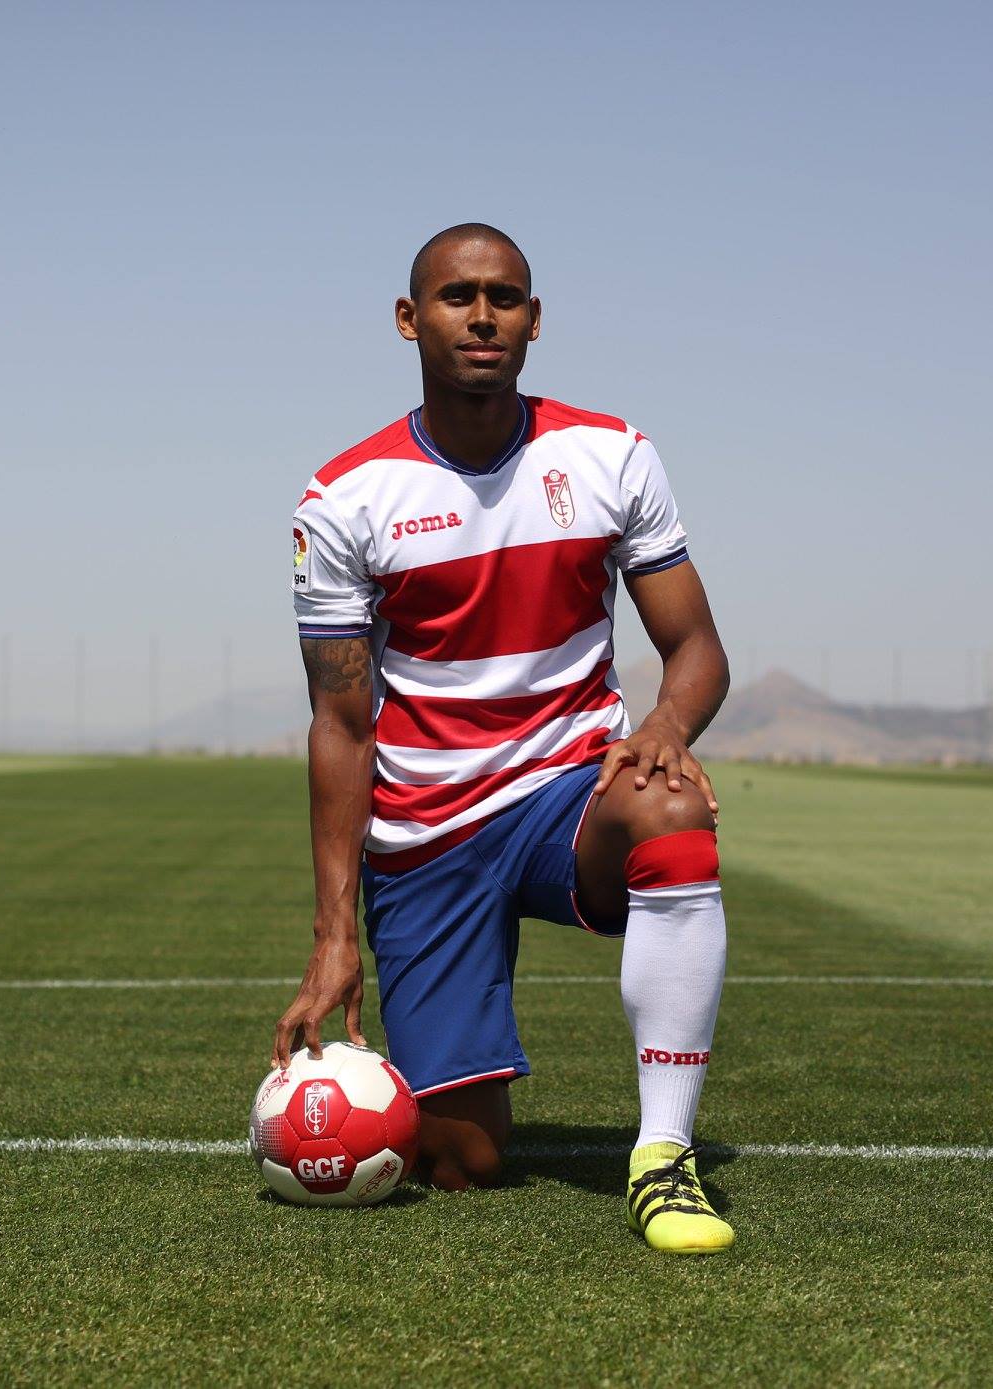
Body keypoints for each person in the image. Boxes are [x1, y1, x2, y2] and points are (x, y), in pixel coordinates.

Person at [274, 223, 734, 1254]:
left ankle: (664, 1156)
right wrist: (334, 934)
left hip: (568, 793)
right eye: (457, 297)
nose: (482, 317)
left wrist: (664, 725)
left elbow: (696, 647)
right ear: (410, 319)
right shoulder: (346, 499)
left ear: (534, 320)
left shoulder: (610, 455)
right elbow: (341, 724)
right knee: (463, 1162)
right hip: (427, 833)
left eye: (505, 297)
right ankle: (448, 1084)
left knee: (670, 803)